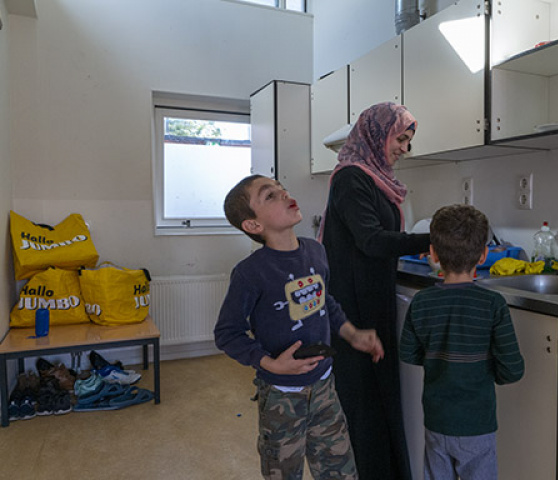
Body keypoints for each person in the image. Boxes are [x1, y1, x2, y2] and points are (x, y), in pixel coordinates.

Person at [215, 174, 385, 480]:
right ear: (253, 225)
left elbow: (325, 303)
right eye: (270, 196)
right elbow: (227, 334)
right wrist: (270, 364)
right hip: (281, 396)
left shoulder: (316, 251)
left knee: (342, 472)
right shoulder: (250, 273)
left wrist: (352, 333)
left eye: (282, 188)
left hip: (325, 388)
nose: (283, 193)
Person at [319, 102, 431, 480]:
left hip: (372, 296)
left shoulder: (373, 177)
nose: (404, 148)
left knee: (377, 398)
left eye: (408, 141)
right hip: (354, 303)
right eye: (400, 138)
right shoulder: (352, 176)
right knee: (363, 403)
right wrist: (435, 239)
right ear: (377, 134)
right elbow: (370, 239)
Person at [399, 204, 525, 480]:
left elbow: (408, 353)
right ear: (483, 255)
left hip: (436, 421)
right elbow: (513, 369)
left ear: (432, 254)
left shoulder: (422, 302)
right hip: (477, 424)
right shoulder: (492, 304)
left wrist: (439, 358)